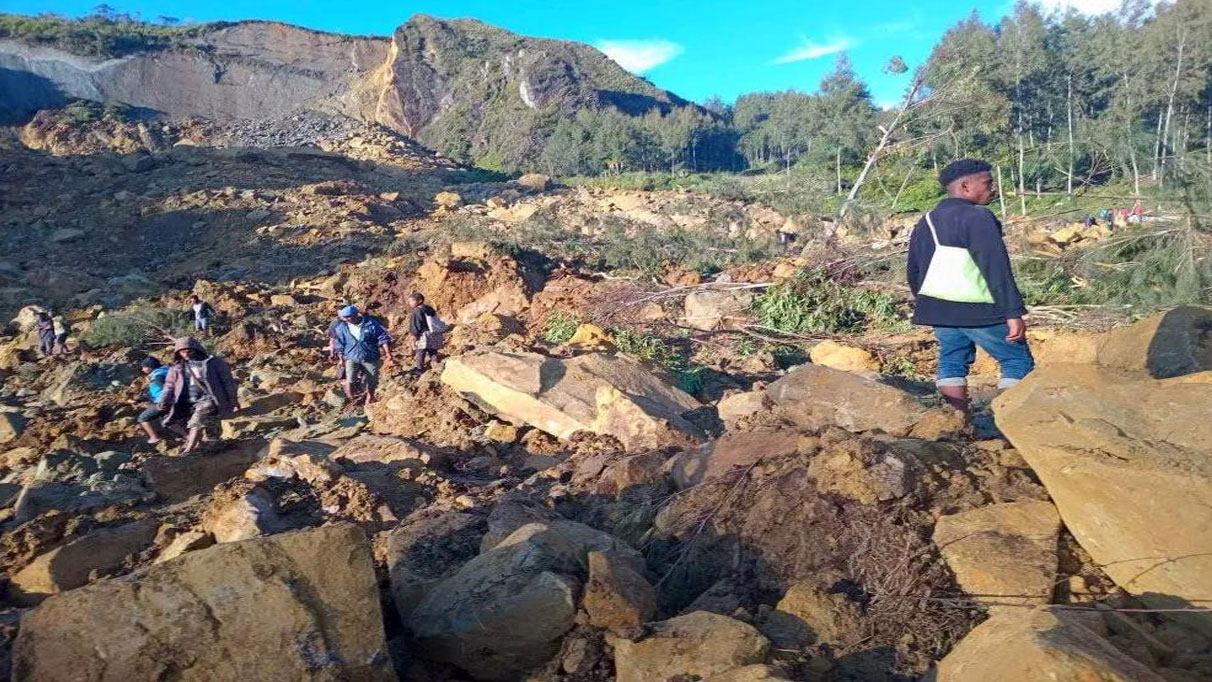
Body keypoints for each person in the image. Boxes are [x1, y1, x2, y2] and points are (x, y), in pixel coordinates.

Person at [907, 158, 1034, 414]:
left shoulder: (927, 220)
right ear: (965, 186)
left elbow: (914, 268)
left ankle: (955, 422)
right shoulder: (979, 217)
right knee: (1016, 361)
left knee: (952, 361)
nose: (993, 188)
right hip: (980, 310)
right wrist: (1013, 312)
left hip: (939, 308)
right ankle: (1007, 424)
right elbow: (995, 267)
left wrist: (929, 303)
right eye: (987, 183)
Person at [158, 337, 239, 454]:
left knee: (197, 420)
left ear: (196, 349)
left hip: (210, 398)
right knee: (209, 427)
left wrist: (233, 399)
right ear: (178, 352)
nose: (186, 354)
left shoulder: (213, 363)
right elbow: (169, 385)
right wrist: (164, 399)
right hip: (187, 401)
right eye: (182, 351)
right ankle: (209, 446)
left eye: (189, 350)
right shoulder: (176, 368)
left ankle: (189, 449)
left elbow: (227, 381)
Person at [331, 305, 394, 406]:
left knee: (372, 379)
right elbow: (339, 344)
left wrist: (388, 354)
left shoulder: (371, 324)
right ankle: (351, 398)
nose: (347, 319)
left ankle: (370, 398)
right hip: (351, 356)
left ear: (356, 315)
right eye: (345, 317)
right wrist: (341, 359)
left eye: (349, 317)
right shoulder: (342, 328)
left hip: (370, 356)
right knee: (350, 378)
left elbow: (382, 338)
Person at [407, 293, 445, 374]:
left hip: (423, 333)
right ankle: (435, 364)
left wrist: (414, 335)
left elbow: (416, 324)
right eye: (409, 301)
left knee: (420, 351)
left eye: (412, 301)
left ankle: (419, 369)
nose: (410, 303)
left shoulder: (417, 311)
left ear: (419, 300)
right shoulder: (428, 308)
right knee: (432, 349)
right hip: (433, 332)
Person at [136, 357, 170, 444]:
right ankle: (187, 436)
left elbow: (163, 389)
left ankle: (154, 438)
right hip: (171, 401)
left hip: (162, 402)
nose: (142, 369)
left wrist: (163, 401)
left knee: (142, 418)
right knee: (167, 421)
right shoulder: (165, 371)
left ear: (149, 367)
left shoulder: (157, 376)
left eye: (143, 367)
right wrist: (140, 399)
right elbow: (155, 392)